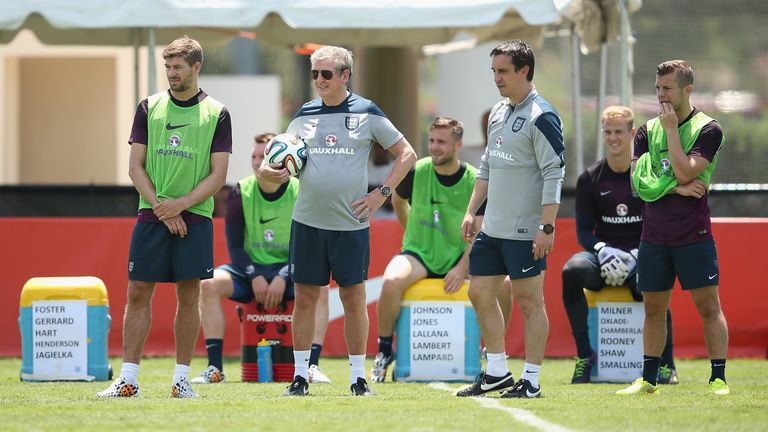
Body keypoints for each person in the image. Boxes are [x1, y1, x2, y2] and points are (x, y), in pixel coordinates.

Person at [259, 45, 417, 397]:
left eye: (326, 74)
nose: (319, 80)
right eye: (315, 74)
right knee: (304, 298)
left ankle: (358, 377)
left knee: (354, 299)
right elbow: (281, 162)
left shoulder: (367, 111)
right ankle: (300, 376)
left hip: (351, 225)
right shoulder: (303, 115)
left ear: (345, 76)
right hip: (308, 222)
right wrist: (270, 171)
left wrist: (383, 193)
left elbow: (407, 154)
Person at [97, 36, 231, 398]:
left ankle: (182, 380)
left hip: (196, 217)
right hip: (152, 213)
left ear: (196, 68)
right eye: (168, 67)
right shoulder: (148, 107)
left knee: (190, 295)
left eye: (178, 67)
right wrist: (162, 206)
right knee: (138, 292)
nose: (171, 74)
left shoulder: (217, 113)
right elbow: (134, 167)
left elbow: (218, 176)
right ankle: (128, 380)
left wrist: (181, 204)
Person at [457, 39, 564, 399]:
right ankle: (498, 373)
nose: (497, 78)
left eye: (503, 71)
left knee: (530, 301)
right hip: (494, 227)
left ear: (524, 71)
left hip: (526, 229)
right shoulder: (500, 112)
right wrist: (473, 210)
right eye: (494, 72)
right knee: (479, 291)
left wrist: (546, 227)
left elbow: (554, 172)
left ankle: (531, 380)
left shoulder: (543, 115)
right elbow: (487, 165)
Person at [618, 60, 729, 396]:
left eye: (667, 88)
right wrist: (678, 188)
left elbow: (685, 170)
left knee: (709, 307)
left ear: (686, 90)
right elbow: (639, 183)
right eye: (657, 88)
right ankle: (648, 380)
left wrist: (670, 133)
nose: (660, 95)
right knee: (653, 309)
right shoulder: (645, 130)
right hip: (654, 235)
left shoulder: (709, 129)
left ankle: (718, 378)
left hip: (693, 235)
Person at [192, 133, 331, 385]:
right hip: (250, 271)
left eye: (263, 156)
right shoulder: (240, 191)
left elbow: (306, 245)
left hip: (289, 271)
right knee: (207, 284)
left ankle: (311, 366)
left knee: (322, 288)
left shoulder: (300, 191)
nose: (257, 162)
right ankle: (215, 369)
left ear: (279, 158)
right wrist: (254, 274)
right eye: (253, 156)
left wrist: (283, 275)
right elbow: (234, 245)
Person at [563, 106, 678, 384]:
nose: (613, 138)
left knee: (653, 284)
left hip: (642, 256)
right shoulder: (589, 179)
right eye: (608, 132)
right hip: (605, 259)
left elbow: (659, 224)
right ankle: (583, 356)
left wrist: (636, 255)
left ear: (632, 133)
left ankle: (666, 364)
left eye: (619, 132)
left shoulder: (648, 174)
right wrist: (604, 251)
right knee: (571, 271)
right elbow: (583, 233)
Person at [370, 116, 483, 382]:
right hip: (418, 254)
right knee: (390, 281)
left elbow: (480, 230)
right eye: (431, 140)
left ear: (458, 145)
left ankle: (492, 354)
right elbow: (398, 201)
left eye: (442, 142)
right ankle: (385, 350)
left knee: (504, 285)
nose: (434, 147)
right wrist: (412, 233)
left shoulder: (475, 179)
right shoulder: (416, 170)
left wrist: (462, 266)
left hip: (459, 255)